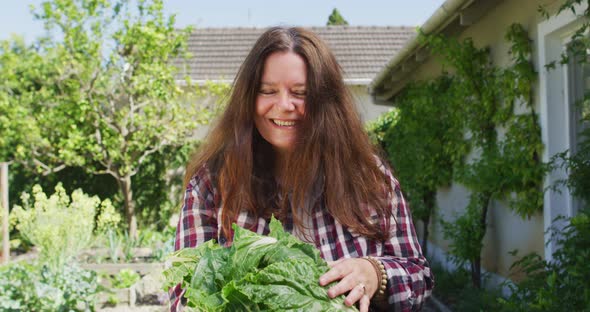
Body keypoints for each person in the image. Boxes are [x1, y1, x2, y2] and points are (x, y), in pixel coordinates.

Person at [169, 26, 433, 312]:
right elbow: (185, 295)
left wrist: (375, 274)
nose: (284, 105)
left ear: (325, 102)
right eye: (267, 91)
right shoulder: (212, 184)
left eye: (300, 93)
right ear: (248, 99)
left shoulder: (369, 176)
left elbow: (419, 276)